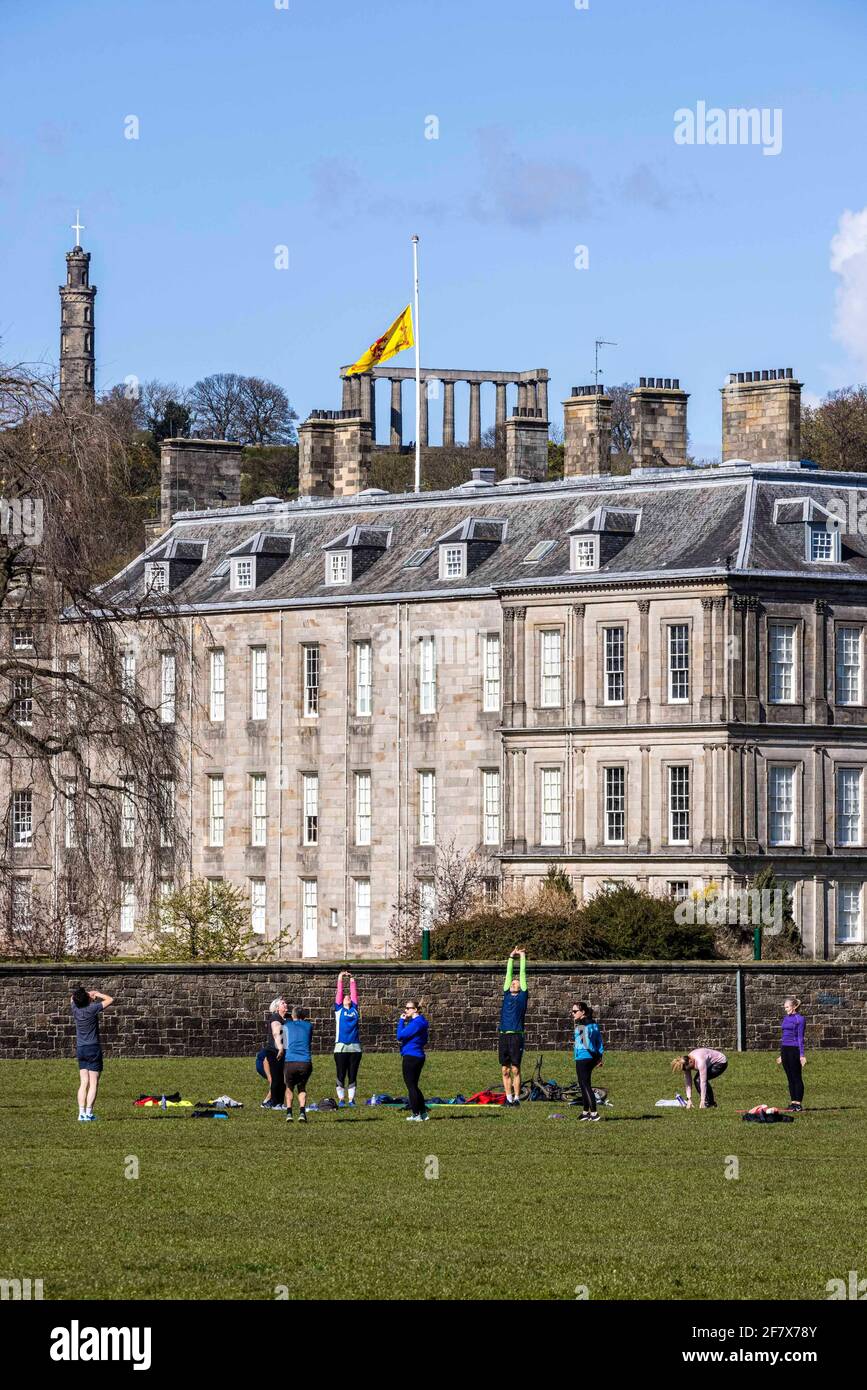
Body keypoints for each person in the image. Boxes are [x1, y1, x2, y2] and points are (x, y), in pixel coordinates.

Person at [70, 986, 113, 1122]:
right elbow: (110, 999)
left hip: (81, 1048)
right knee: (93, 1083)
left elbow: (72, 998)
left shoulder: (75, 1010)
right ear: (87, 999)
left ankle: (81, 1113)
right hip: (93, 1048)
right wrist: (97, 994)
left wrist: (86, 996)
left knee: (84, 1082)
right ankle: (89, 1113)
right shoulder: (92, 1009)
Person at [498, 947, 528, 1107]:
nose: (513, 983)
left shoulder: (523, 996)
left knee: (515, 1069)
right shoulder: (506, 993)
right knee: (505, 1069)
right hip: (503, 1035)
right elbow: (508, 974)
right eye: (512, 982)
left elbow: (521, 974)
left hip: (516, 1036)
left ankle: (517, 1098)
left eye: (515, 983)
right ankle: (508, 1098)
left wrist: (522, 956)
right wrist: (511, 956)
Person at [397, 998, 429, 1121]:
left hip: (411, 1056)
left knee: (411, 1086)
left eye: (408, 1008)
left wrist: (401, 1021)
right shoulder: (421, 1022)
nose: (406, 1010)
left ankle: (416, 1114)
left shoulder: (416, 1023)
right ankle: (423, 1113)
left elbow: (400, 1036)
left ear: (415, 1010)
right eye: (405, 1008)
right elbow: (424, 1040)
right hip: (419, 1055)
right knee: (414, 1086)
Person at [572, 1001, 604, 1121]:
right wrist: (599, 1056)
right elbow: (599, 1042)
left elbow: (587, 1044)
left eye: (575, 1011)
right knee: (583, 1084)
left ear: (583, 1012)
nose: (573, 1013)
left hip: (583, 1057)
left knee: (585, 1085)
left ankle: (594, 1113)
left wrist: (596, 1058)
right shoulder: (594, 1024)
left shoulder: (581, 1025)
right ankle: (585, 1112)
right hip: (591, 1057)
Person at [333, 970, 362, 1106]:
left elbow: (354, 994)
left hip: (355, 1047)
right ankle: (341, 1099)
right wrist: (340, 978)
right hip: (340, 1046)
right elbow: (339, 993)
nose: (347, 997)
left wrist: (351, 980)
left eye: (349, 997)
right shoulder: (339, 1009)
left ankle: (351, 1099)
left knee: (352, 1074)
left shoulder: (355, 1008)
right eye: (345, 997)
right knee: (340, 1073)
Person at [283, 1006, 313, 1123]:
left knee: (289, 1087)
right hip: (305, 1062)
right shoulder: (309, 1026)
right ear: (304, 1016)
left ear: (292, 1016)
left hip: (290, 1061)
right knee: (302, 1087)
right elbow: (308, 1041)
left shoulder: (286, 1026)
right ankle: (302, 1113)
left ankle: (289, 1113)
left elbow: (284, 1044)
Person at [776, 995, 806, 1112]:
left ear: (794, 1007)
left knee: (796, 1076)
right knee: (789, 1077)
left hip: (794, 1050)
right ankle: (793, 1102)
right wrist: (781, 1055)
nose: (785, 1009)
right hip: (785, 1049)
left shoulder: (800, 1019)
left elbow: (800, 1038)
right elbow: (784, 1036)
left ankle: (798, 1103)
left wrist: (802, 1055)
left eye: (787, 1007)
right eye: (785, 1007)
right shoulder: (786, 1018)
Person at [261, 996, 288, 1109]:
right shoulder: (275, 1018)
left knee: (282, 1079)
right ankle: (274, 1102)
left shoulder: (287, 1019)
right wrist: (280, 1048)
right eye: (283, 1003)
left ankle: (279, 1103)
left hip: (283, 1051)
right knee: (277, 1078)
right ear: (277, 1008)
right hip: (274, 1051)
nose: (285, 1004)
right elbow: (276, 1033)